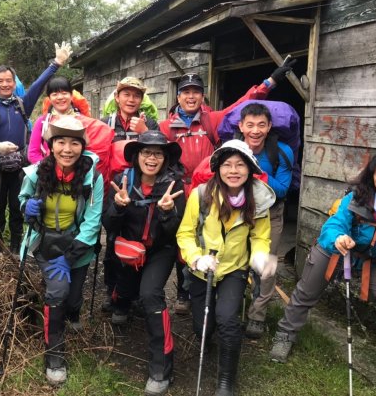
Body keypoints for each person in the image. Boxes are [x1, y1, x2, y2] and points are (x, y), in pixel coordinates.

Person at [270, 148, 376, 377]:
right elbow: (334, 224)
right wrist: (338, 238)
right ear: (372, 174)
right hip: (334, 250)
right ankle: (285, 335)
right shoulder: (357, 197)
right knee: (306, 293)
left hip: (372, 262)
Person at [160, 63, 294, 315]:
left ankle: (230, 296)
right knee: (184, 239)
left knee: (218, 240)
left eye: (196, 92)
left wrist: (270, 82)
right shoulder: (166, 126)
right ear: (177, 97)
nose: (191, 96)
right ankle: (185, 292)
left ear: (202, 96)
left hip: (212, 191)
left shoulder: (211, 119)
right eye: (185, 91)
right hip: (180, 191)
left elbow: (243, 104)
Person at [177, 139, 276, 396]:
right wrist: (197, 258)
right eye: (227, 165)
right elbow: (185, 234)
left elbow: (260, 236)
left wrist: (260, 256)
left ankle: (226, 381)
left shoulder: (259, 199)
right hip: (202, 269)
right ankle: (206, 336)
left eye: (240, 165)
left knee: (228, 320)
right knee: (203, 327)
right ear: (218, 168)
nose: (234, 171)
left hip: (234, 269)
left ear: (250, 169)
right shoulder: (201, 195)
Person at [19, 116, 103, 385]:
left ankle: (73, 312)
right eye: (61, 142)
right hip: (44, 244)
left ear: (83, 146)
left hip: (77, 246)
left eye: (74, 143)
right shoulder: (36, 174)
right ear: (51, 145)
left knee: (73, 296)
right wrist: (26, 207)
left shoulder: (93, 177)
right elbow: (22, 202)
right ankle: (54, 355)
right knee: (57, 292)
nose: (67, 149)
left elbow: (93, 219)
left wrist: (69, 257)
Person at [103, 130, 185, 396]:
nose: (152, 158)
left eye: (158, 153)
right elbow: (108, 224)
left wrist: (167, 213)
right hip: (129, 247)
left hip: (160, 250)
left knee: (150, 296)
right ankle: (121, 300)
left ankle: (161, 368)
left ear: (165, 158)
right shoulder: (121, 181)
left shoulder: (174, 186)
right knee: (126, 291)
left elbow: (176, 232)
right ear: (137, 156)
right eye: (146, 152)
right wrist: (118, 207)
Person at [0, 43, 72, 255]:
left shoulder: (22, 104)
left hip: (21, 166)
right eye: (0, 81)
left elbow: (39, 85)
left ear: (14, 83)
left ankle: (15, 247)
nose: (5, 84)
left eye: (8, 81)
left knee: (18, 206)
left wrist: (56, 64)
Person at [100, 76, 160, 312]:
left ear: (141, 99)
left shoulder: (151, 124)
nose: (131, 99)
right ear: (117, 97)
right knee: (113, 238)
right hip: (113, 187)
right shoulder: (106, 123)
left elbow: (158, 151)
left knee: (138, 238)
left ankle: (134, 292)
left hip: (141, 187)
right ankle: (112, 290)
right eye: (126, 94)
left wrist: (144, 132)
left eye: (136, 95)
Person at [238, 103, 294, 339]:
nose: (255, 130)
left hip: (271, 214)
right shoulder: (232, 149)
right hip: (237, 212)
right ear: (241, 126)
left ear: (269, 126)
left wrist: (255, 170)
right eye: (250, 125)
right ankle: (233, 305)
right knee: (236, 259)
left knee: (266, 266)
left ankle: (257, 316)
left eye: (261, 125)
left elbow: (282, 190)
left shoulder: (281, 152)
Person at [27, 76, 91, 164]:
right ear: (49, 98)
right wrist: (49, 170)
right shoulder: (43, 122)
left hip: (78, 172)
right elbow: (33, 153)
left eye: (64, 93)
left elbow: (89, 150)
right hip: (48, 172)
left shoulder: (83, 121)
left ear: (71, 95)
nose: (60, 97)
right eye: (55, 94)